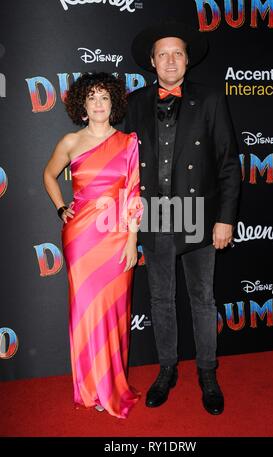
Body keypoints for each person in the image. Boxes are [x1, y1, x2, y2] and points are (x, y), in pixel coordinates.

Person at [124, 21, 241, 415]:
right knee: (160, 299)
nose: (170, 60)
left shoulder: (209, 98)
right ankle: (167, 369)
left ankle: (207, 372)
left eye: (178, 53)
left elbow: (228, 163)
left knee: (202, 300)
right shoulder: (136, 102)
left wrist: (224, 220)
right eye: (163, 54)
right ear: (152, 62)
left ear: (187, 60)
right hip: (154, 215)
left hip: (198, 216)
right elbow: (125, 167)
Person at [43, 72, 143, 419]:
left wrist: (132, 240)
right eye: (92, 98)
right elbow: (48, 175)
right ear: (82, 106)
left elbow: (133, 195)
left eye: (104, 98)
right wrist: (61, 208)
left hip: (116, 235)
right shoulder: (70, 142)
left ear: (113, 103)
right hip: (81, 237)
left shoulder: (129, 142)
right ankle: (89, 388)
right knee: (86, 312)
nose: (99, 104)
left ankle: (111, 386)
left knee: (114, 312)